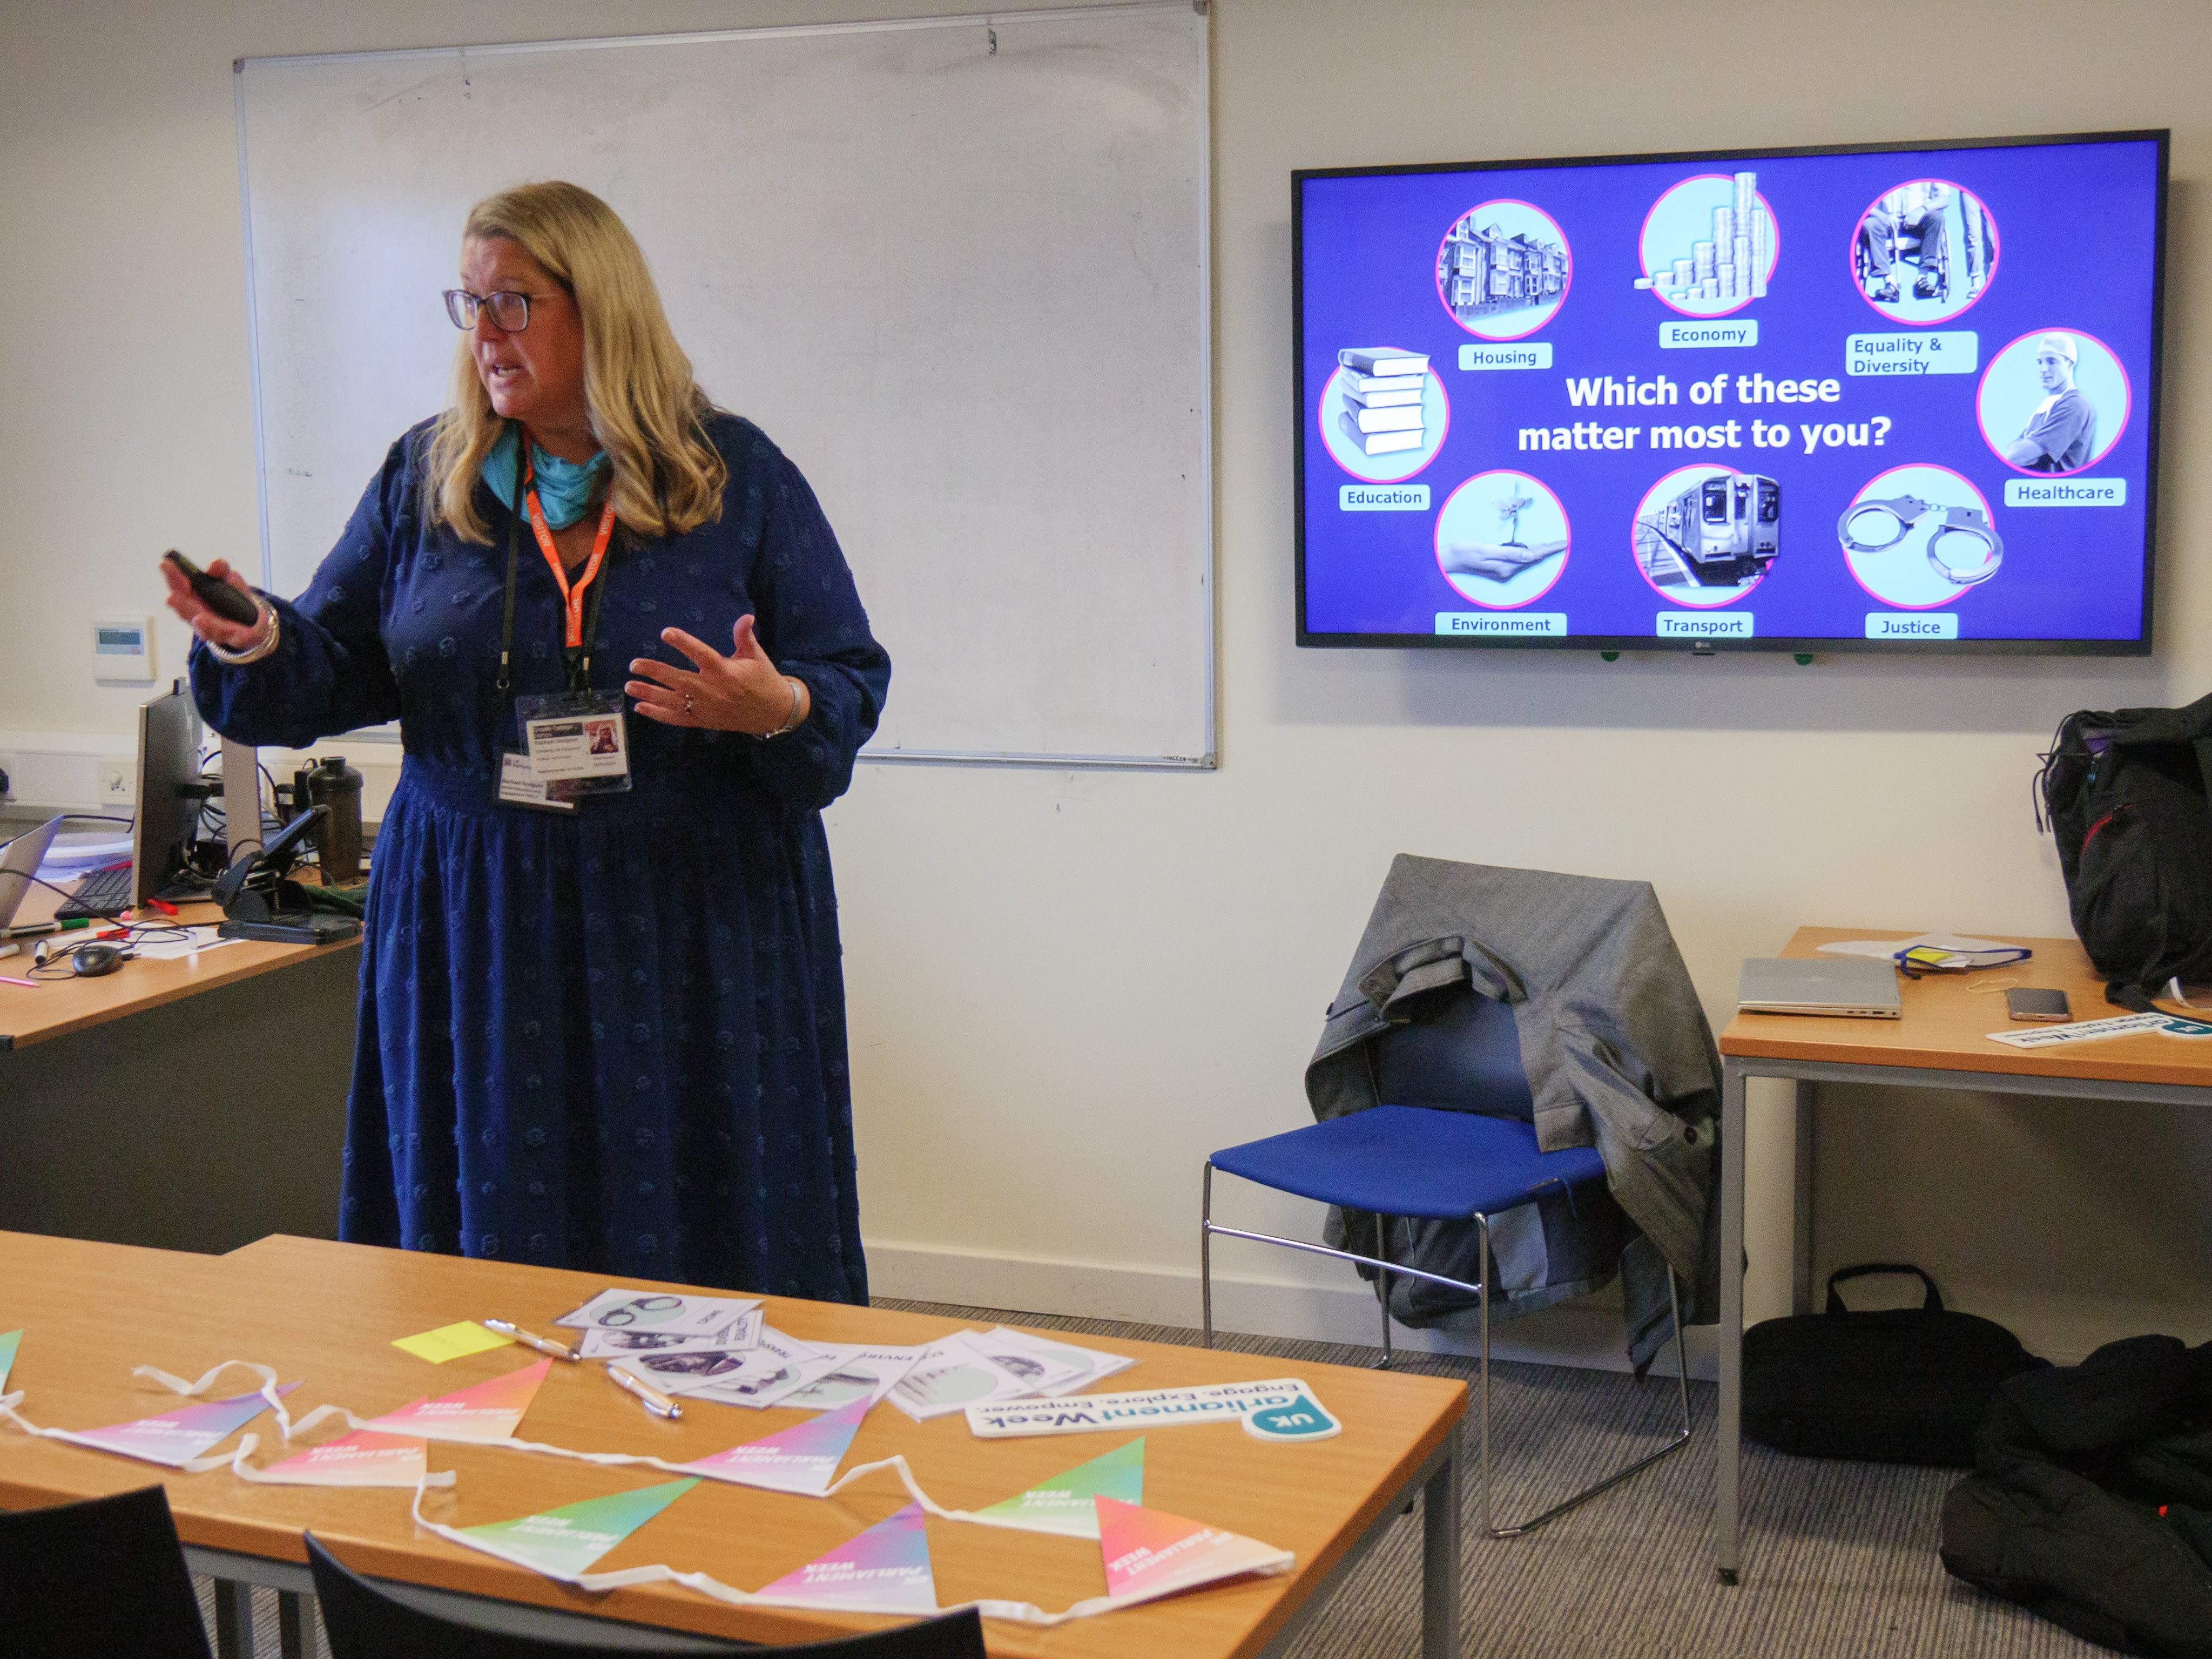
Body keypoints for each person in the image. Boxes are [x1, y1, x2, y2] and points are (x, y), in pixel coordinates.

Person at [161, 181, 892, 1303]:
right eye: (470, 303)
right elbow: (340, 662)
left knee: (697, 1215)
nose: (487, 333)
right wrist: (256, 639)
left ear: (598, 308)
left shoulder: (732, 478)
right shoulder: (426, 478)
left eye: (515, 301)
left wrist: (777, 706)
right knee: (491, 1226)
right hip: (476, 910)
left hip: (692, 909)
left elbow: (847, 679)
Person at [2004, 332, 2097, 473]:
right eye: (2040, 362)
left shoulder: (2075, 406)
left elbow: (2016, 456)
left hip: (2057, 491)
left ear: (2070, 363)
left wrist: (2025, 450)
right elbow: (2012, 451)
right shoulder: (2047, 406)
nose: (2044, 369)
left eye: (2052, 361)